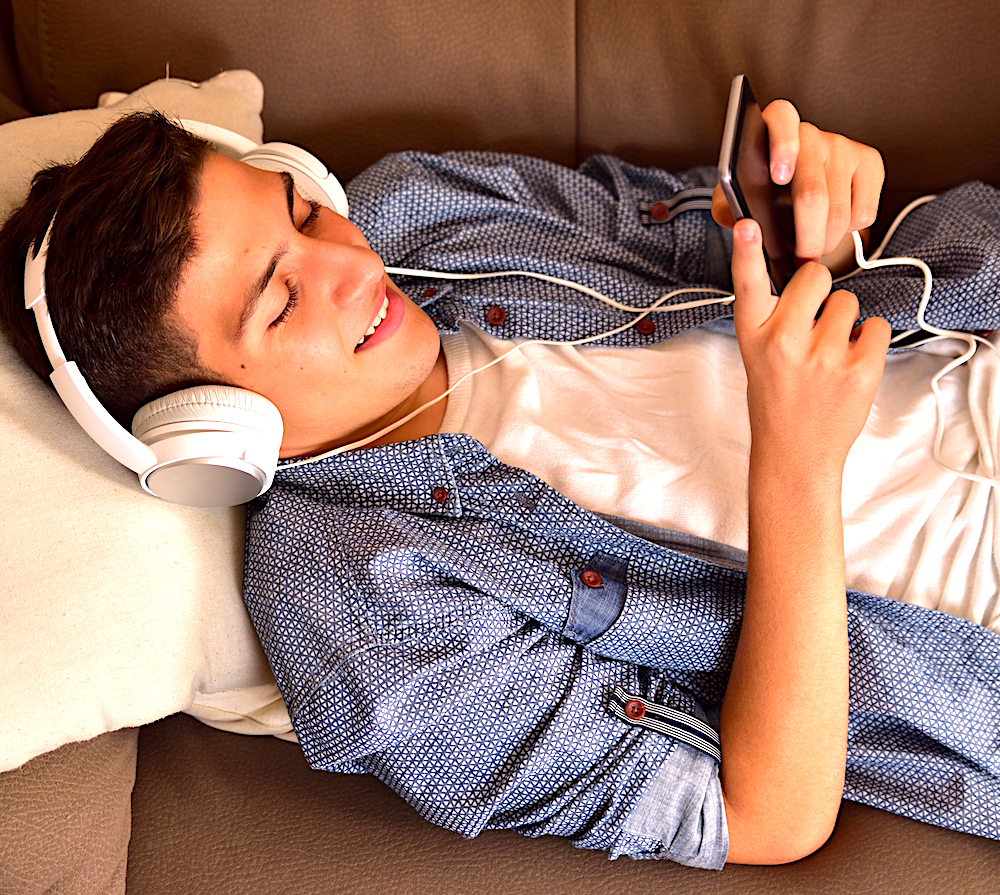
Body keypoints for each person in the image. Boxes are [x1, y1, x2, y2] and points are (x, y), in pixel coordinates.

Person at [2, 101, 999, 870]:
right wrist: (796, 465)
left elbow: (713, 233)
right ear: (208, 433)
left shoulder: (409, 209)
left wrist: (811, 220)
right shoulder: (359, 607)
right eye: (280, 299)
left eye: (302, 211)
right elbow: (764, 813)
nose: (349, 263)